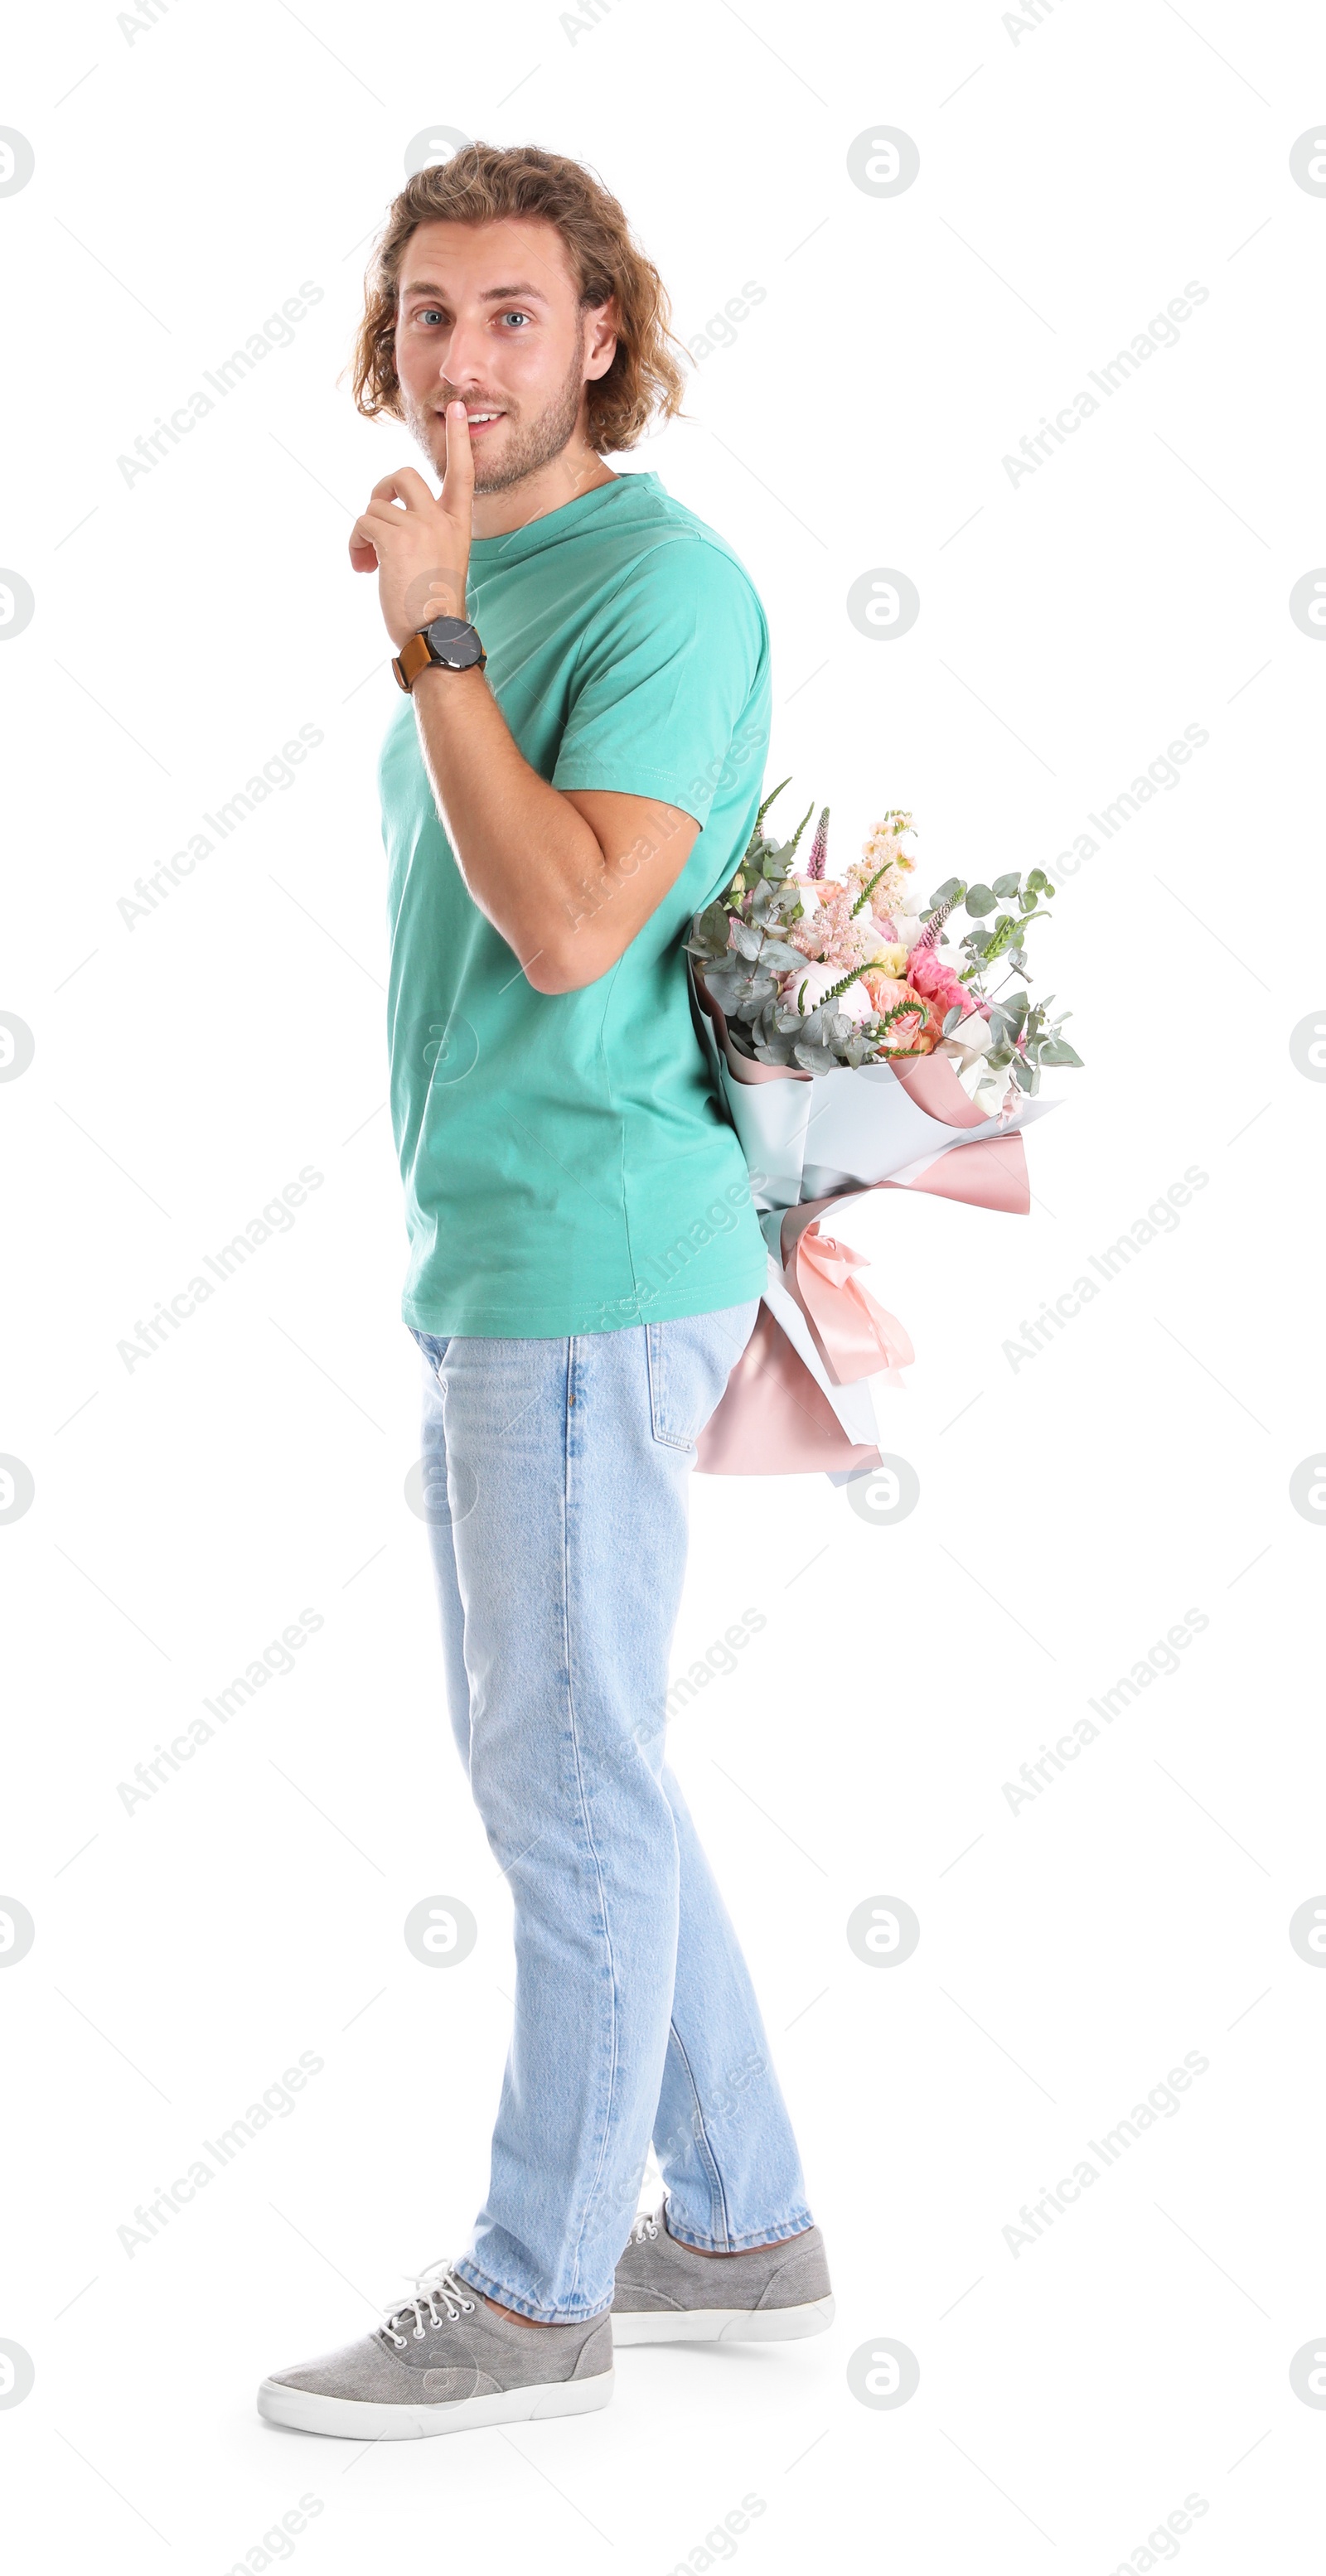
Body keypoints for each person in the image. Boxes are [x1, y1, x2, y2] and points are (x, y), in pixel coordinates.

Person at [259, 142, 831, 2443]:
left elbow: (575, 922)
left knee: (560, 1773)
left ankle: (536, 2284)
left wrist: (433, 640)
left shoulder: (658, 591)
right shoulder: (482, 566)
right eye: (428, 315)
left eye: (512, 313)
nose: (463, 359)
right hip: (502, 1248)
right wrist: (445, 608)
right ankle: (742, 2222)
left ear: (604, 333)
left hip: (592, 1261)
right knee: (588, 1756)